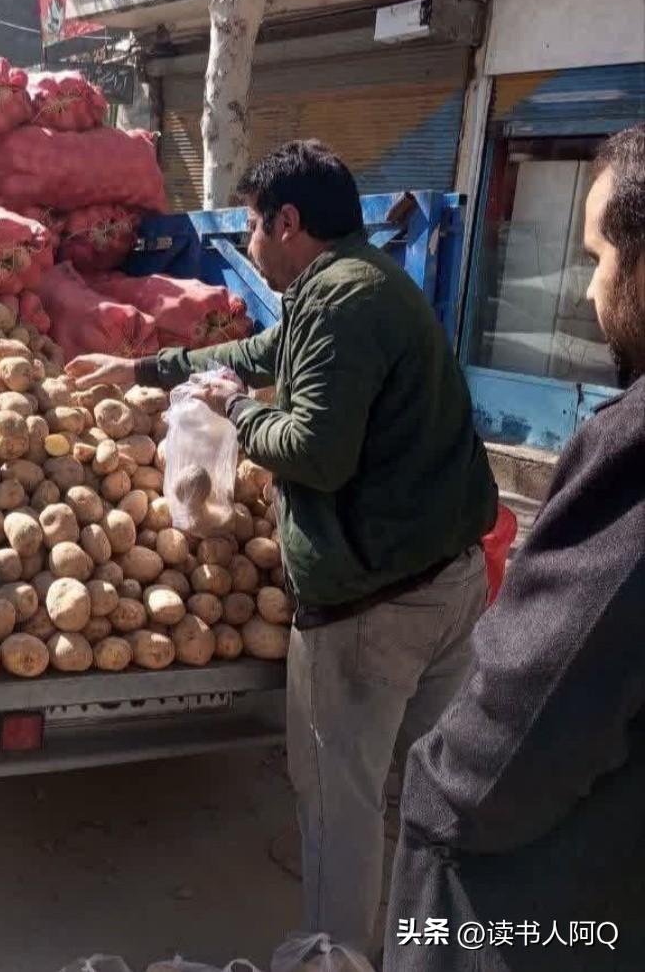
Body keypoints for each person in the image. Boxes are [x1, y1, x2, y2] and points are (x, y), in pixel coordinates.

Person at [67, 140, 498, 953]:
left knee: (341, 802)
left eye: (253, 227)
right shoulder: (363, 281)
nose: (250, 244)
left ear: (287, 222)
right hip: (449, 582)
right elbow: (259, 355)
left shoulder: (339, 302)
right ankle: (432, 951)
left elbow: (314, 453)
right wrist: (142, 371)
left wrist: (236, 409)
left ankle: (335, 959)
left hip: (376, 606)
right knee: (430, 792)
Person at [384, 125, 645, 972]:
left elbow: (531, 712)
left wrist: (434, 797)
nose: (589, 289)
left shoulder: (633, 449)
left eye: (599, 256)